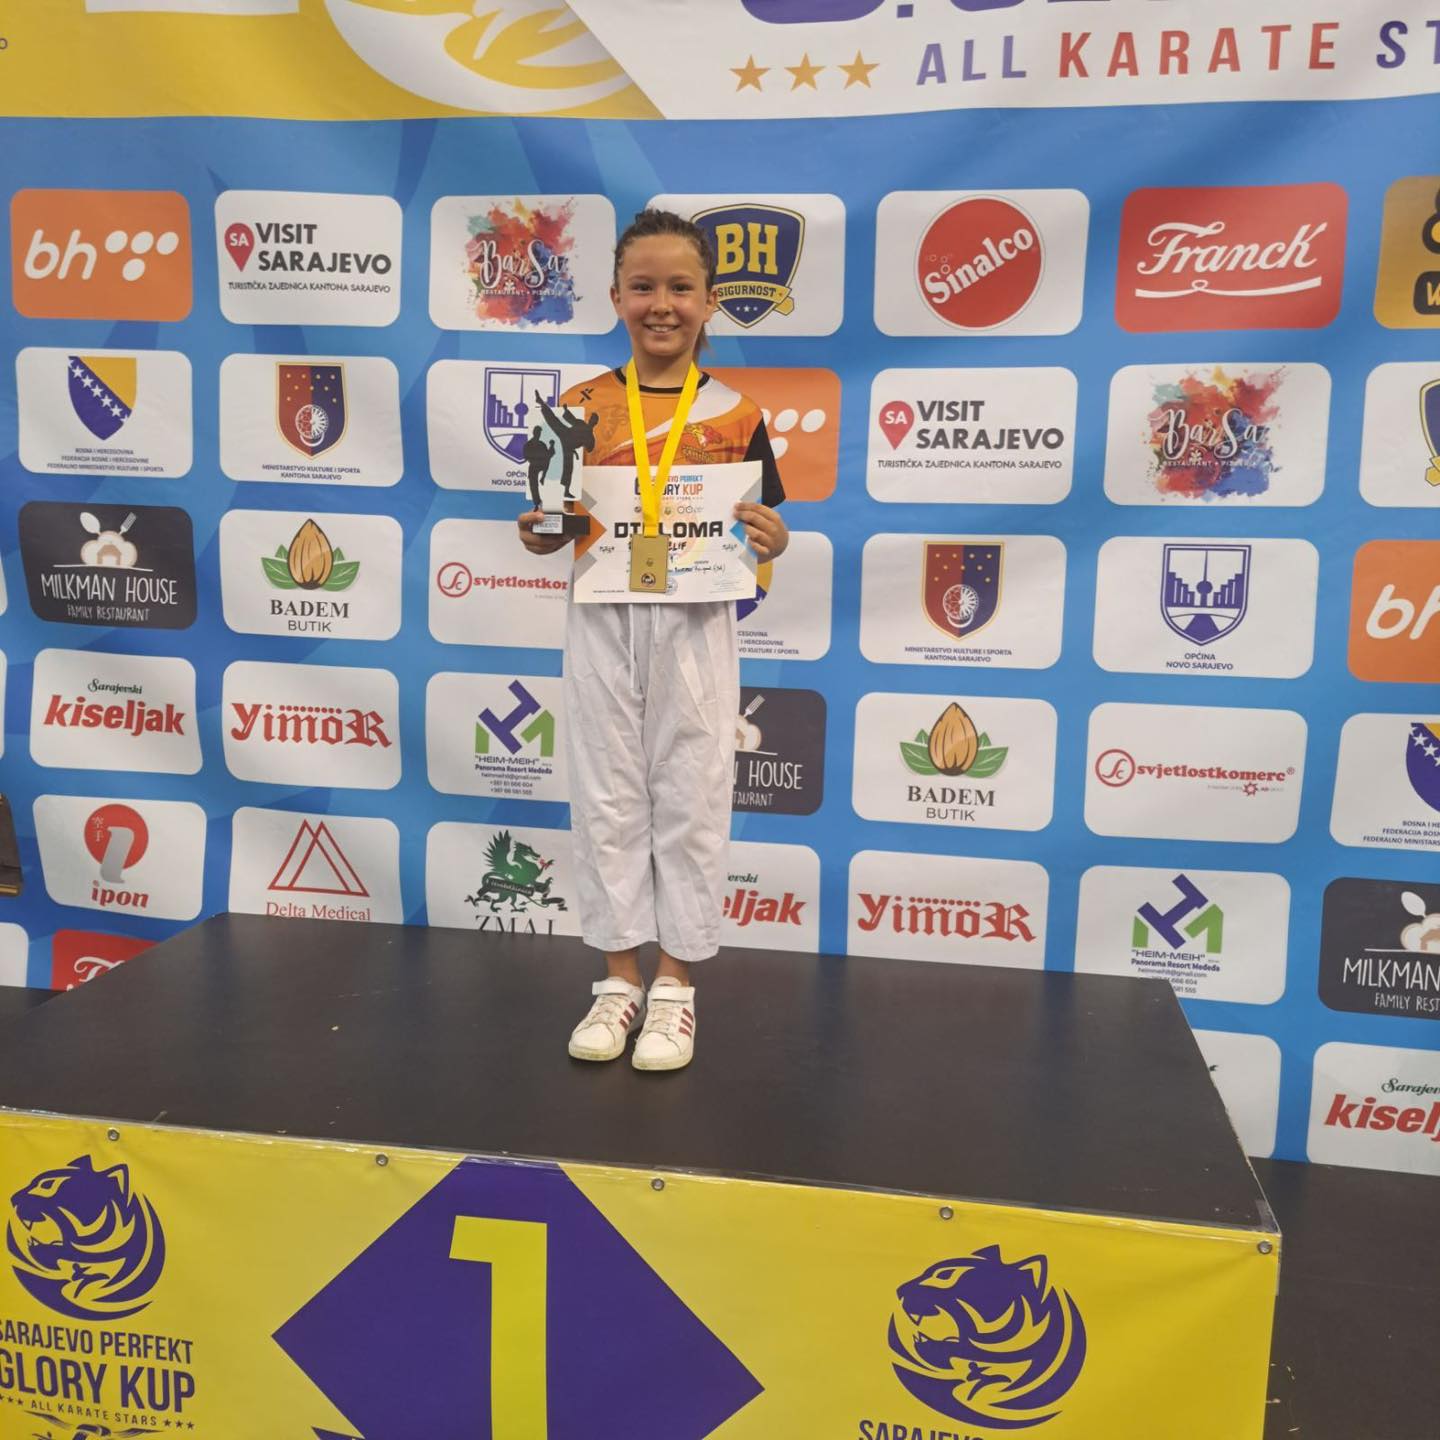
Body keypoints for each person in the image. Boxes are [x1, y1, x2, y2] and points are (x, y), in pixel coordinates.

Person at [517, 208, 789, 1072]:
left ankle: (675, 987)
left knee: (692, 793)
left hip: (695, 622)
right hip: (602, 616)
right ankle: (617, 981)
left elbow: (758, 529)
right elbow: (551, 527)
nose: (660, 304)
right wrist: (539, 533)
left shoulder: (739, 414)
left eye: (679, 287)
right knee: (606, 792)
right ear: (614, 297)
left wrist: (774, 541)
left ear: (709, 301)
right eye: (643, 287)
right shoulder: (574, 411)